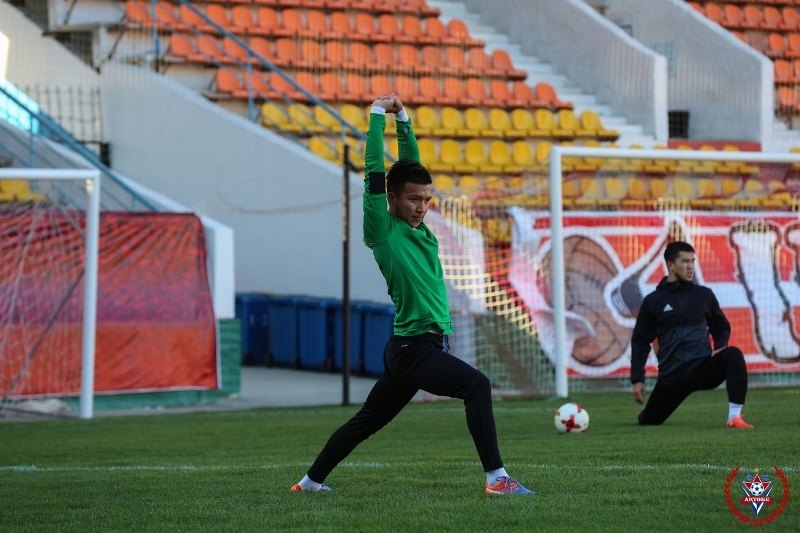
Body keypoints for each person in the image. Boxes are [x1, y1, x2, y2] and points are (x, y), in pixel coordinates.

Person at [290, 94, 534, 495]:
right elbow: (375, 172)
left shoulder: (419, 228)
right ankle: (497, 479)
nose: (422, 207)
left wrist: (403, 118)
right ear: (391, 199)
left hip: (413, 346)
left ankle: (309, 483)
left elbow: (410, 167)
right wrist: (376, 116)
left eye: (426, 200)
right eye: (414, 199)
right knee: (477, 385)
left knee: (367, 420)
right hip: (413, 348)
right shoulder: (382, 230)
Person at [629, 240, 753, 429]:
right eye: (685, 261)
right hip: (672, 376)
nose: (690, 266)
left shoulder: (704, 295)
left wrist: (720, 346)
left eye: (692, 261)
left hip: (701, 369)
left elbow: (721, 326)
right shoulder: (653, 301)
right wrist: (637, 379)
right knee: (649, 421)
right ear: (671, 265)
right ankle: (647, 413)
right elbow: (640, 341)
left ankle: (734, 417)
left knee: (733, 355)